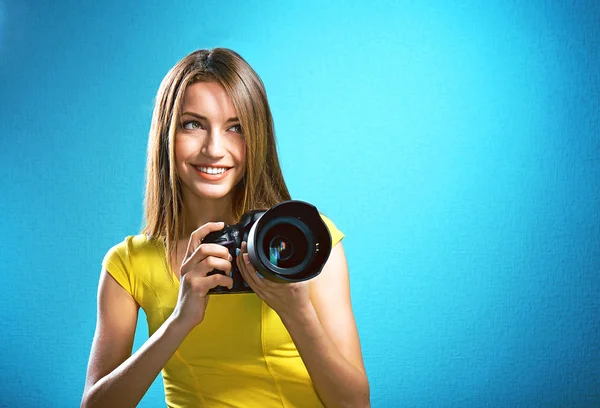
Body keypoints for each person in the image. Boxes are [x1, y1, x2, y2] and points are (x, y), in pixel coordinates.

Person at [81, 48, 370, 408]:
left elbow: (355, 404)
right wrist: (180, 320)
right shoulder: (128, 264)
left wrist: (298, 314)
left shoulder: (308, 240)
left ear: (257, 138)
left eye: (236, 128)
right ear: (165, 136)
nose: (215, 149)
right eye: (193, 124)